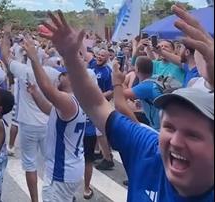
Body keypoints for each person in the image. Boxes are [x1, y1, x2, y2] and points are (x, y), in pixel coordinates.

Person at [40, 6, 214, 201]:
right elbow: (96, 105)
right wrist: (71, 58)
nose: (175, 141)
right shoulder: (148, 150)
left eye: (192, 134)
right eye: (169, 127)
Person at [23, 37, 88, 201]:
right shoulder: (76, 100)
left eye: (63, 75)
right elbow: (49, 110)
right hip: (71, 168)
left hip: (62, 172)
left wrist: (34, 58)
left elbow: (47, 88)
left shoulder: (69, 101)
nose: (59, 77)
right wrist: (35, 93)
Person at [1, 25, 60, 202]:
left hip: (27, 125)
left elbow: (4, 55)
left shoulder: (23, 70)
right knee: (51, 163)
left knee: (30, 165)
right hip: (48, 123)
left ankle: (35, 200)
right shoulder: (52, 73)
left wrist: (6, 33)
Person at [113, 56, 162, 131]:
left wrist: (119, 79)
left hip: (159, 128)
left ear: (137, 69)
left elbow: (120, 96)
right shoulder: (155, 78)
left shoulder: (146, 86)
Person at [85, 49, 115, 170]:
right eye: (98, 55)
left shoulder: (108, 72)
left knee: (100, 132)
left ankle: (108, 159)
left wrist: (98, 97)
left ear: (107, 58)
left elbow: (111, 91)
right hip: (90, 104)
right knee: (96, 131)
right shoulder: (92, 65)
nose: (99, 57)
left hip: (100, 105)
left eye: (103, 55)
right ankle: (98, 152)